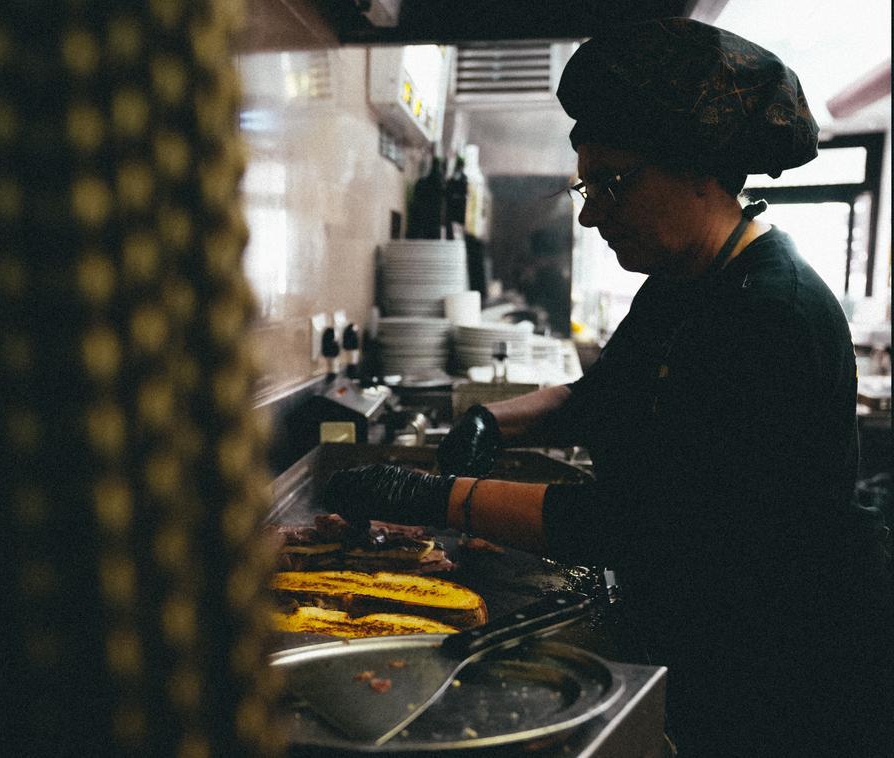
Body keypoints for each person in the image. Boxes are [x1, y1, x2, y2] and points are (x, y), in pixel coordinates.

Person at [322, 18, 893, 758]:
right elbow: (600, 397)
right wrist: (492, 424)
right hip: (693, 621)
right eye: (586, 186)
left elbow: (652, 521)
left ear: (701, 168)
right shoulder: (684, 281)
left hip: (774, 662)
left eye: (614, 184)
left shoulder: (770, 313)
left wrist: (436, 497)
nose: (591, 213)